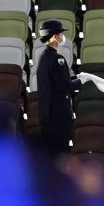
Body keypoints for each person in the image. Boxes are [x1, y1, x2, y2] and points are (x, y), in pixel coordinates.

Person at [37, 18, 81, 155]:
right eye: (60, 34)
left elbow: (55, 82)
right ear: (54, 36)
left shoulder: (43, 56)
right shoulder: (57, 58)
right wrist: (80, 82)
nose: (63, 37)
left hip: (46, 114)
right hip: (59, 115)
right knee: (60, 154)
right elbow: (63, 87)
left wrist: (75, 78)